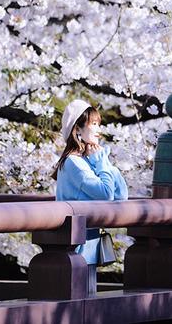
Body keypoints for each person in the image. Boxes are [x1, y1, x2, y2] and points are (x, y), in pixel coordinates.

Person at [52, 99, 128, 294]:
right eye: (93, 124)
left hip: (87, 243)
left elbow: (121, 195)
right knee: (80, 299)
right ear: (77, 129)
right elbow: (106, 195)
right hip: (76, 245)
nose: (98, 129)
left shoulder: (88, 162)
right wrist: (102, 165)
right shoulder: (73, 163)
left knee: (88, 298)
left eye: (98, 124)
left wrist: (105, 163)